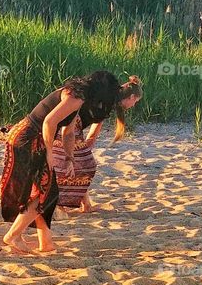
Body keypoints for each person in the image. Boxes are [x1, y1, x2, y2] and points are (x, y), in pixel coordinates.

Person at [0, 71, 142, 253]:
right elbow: (48, 123)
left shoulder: (80, 98)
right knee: (46, 192)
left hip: (33, 138)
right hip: (27, 138)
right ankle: (13, 236)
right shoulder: (75, 96)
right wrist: (50, 153)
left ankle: (45, 243)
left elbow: (67, 132)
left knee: (48, 192)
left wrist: (69, 158)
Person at [54, 76, 143, 212]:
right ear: (131, 97)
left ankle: (85, 204)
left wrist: (88, 144)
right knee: (81, 165)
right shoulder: (109, 98)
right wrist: (87, 145)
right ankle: (61, 204)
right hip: (71, 124)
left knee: (82, 165)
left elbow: (97, 122)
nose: (133, 105)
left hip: (73, 124)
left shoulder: (110, 99)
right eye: (135, 102)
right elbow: (95, 125)